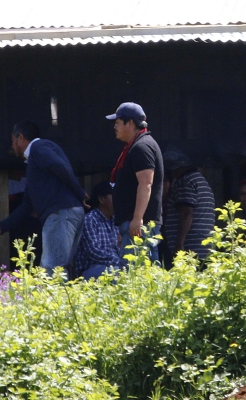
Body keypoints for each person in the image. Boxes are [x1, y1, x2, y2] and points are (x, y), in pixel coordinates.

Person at [0, 121, 87, 275]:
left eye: (12, 141)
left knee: (52, 270)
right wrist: (0, 227)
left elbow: (60, 166)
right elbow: (27, 205)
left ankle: (53, 300)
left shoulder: (39, 147)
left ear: (20, 138)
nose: (12, 146)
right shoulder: (36, 164)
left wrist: (80, 193)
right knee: (58, 270)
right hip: (65, 214)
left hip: (61, 214)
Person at [108, 102, 164, 261]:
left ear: (130, 123)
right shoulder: (136, 145)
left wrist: (138, 219)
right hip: (134, 224)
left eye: (118, 122)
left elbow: (146, 183)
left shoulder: (142, 147)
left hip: (141, 225)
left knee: (136, 275)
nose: (115, 127)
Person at [162, 150, 216, 262]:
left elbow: (186, 213)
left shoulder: (185, 182)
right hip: (203, 244)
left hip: (190, 246)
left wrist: (179, 243)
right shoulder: (200, 180)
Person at [70, 181, 125, 279]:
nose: (119, 199)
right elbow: (94, 251)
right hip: (91, 270)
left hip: (114, 266)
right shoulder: (89, 220)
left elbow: (119, 249)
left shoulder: (116, 221)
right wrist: (121, 263)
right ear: (101, 199)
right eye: (114, 195)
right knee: (120, 275)